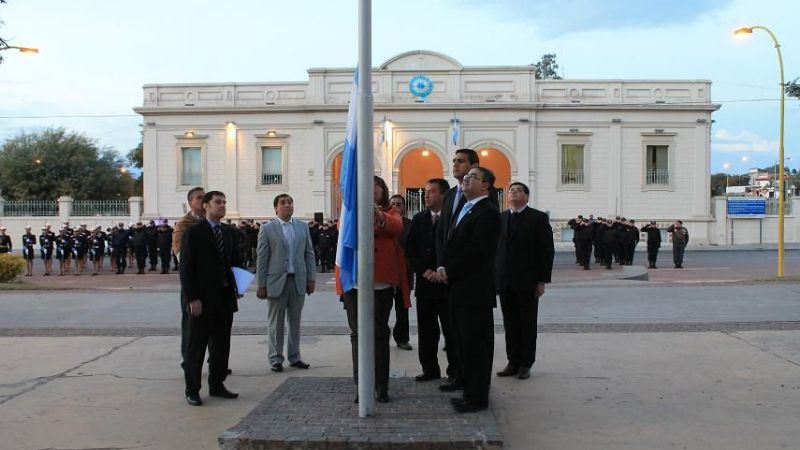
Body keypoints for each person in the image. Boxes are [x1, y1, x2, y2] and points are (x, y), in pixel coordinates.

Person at [337, 175, 409, 404]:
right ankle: (362, 386)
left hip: (382, 282)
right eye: (369, 186)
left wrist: (378, 215)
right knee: (358, 334)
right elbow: (346, 231)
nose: (373, 189)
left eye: (377, 187)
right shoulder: (350, 210)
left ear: (383, 191)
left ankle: (381, 385)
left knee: (379, 334)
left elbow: (396, 227)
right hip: (354, 281)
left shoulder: (391, 211)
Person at [437, 166, 501, 413]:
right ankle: (468, 389)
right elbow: (451, 243)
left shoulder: (488, 212)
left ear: (486, 185)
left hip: (474, 290)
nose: (466, 179)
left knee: (476, 346)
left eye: (473, 177)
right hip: (459, 289)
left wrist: (449, 271)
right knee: (463, 343)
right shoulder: (466, 208)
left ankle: (477, 398)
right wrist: (444, 266)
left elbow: (477, 251)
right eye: (466, 177)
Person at [179, 190, 243, 406]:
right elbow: (186, 268)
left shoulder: (228, 232)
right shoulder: (194, 232)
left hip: (224, 298)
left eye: (224, 202)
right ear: (206, 205)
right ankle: (192, 389)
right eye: (218, 202)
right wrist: (192, 298)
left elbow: (237, 261)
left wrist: (240, 286)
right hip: (202, 300)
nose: (222, 206)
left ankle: (217, 384)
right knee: (196, 346)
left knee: (221, 345)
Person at [495, 182, 554, 380]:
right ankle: (512, 361)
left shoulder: (537, 218)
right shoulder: (501, 218)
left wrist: (542, 280)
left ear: (527, 197)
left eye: (519, 190)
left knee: (527, 323)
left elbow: (546, 251)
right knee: (510, 323)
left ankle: (526, 363)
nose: (513, 193)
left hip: (528, 281)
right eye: (511, 190)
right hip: (505, 280)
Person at [256, 194, 316, 372]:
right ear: (276, 208)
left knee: (295, 322)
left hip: (297, 280)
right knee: (276, 322)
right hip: (276, 282)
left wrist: (310, 278)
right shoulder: (267, 229)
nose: (287, 205)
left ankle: (295, 356)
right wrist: (261, 284)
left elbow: (309, 254)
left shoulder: (302, 227)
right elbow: (262, 258)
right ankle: (275, 358)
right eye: (283, 203)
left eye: (290, 202)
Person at [404, 178, 455, 382]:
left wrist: (444, 271)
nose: (427, 195)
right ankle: (429, 368)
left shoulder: (452, 219)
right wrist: (424, 272)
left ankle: (454, 371)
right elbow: (409, 249)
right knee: (426, 330)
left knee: (451, 330)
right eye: (425, 191)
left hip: (447, 283)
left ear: (443, 195)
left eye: (432, 192)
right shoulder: (419, 218)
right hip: (425, 284)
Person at [173, 187, 206, 370]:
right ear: (191, 202)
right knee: (191, 326)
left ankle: (215, 361)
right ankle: (189, 361)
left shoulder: (210, 221)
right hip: (193, 282)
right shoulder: (184, 224)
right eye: (199, 198)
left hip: (212, 283)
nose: (203, 200)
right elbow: (179, 253)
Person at [389, 194, 413, 351]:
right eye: (393, 204)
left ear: (404, 207)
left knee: (402, 308)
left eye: (399, 204)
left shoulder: (411, 225)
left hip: (405, 272)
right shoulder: (383, 221)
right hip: (387, 271)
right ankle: (380, 336)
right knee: (381, 307)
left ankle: (402, 338)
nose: (396, 206)